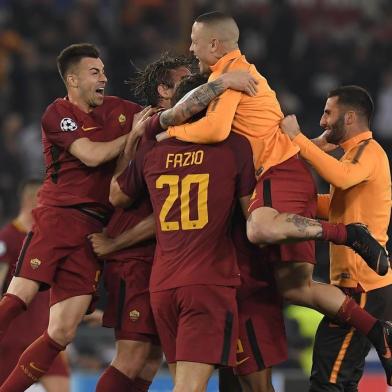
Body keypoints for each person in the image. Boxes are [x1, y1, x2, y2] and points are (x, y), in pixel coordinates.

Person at [157, 11, 392, 385]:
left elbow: (216, 129)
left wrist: (169, 134)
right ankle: (377, 330)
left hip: (278, 172)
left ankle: (349, 234)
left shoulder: (231, 75)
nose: (190, 47)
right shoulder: (233, 74)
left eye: (194, 40)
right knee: (296, 286)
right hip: (290, 175)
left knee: (258, 227)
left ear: (214, 44)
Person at [89, 54, 257, 392]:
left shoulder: (153, 145)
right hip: (197, 278)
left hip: (163, 280)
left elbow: (117, 194)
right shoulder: (231, 147)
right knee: (165, 375)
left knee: (155, 366)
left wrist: (132, 146)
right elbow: (253, 219)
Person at [0, 43, 147, 392]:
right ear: (73, 79)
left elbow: (157, 115)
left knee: (62, 331)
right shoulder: (58, 113)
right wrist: (134, 135)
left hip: (94, 230)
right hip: (58, 217)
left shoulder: (120, 111)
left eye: (104, 72)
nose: (104, 78)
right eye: (95, 72)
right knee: (20, 296)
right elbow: (91, 155)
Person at [280, 85, 392, 389]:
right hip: (357, 285)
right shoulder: (355, 155)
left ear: (350, 116)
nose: (322, 120)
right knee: (338, 380)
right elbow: (335, 208)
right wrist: (289, 201)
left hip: (362, 286)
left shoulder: (369, 151)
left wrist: (298, 139)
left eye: (328, 112)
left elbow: (341, 177)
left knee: (328, 382)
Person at [0, 179, 69, 392]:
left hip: (45, 335)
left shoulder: (47, 240)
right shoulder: (7, 238)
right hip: (13, 338)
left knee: (61, 387)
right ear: (34, 199)